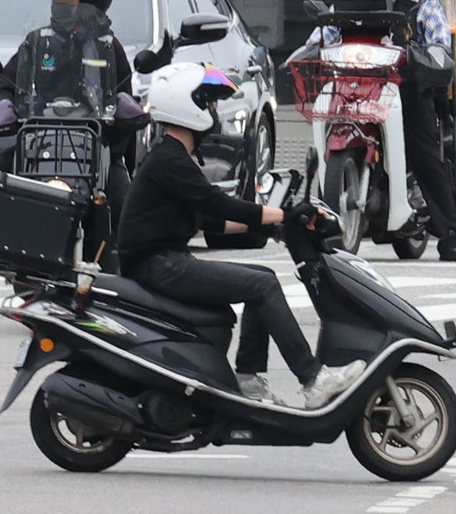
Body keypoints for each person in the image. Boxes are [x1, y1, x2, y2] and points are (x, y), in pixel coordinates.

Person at [117, 62, 366, 409]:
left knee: (262, 278)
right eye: (208, 102)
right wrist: (284, 213)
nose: (214, 111)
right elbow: (218, 205)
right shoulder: (169, 161)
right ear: (187, 106)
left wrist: (278, 227)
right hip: (159, 266)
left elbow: (211, 221)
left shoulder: (171, 159)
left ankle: (248, 378)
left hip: (164, 261)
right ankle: (313, 378)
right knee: (261, 286)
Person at [311, 0, 456, 262]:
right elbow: (319, 36)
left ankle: (449, 235)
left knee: (425, 153)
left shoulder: (419, 2)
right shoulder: (344, 1)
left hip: (406, 92)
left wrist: (430, 56)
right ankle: (321, 213)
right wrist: (309, 50)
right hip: (354, 89)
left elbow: (440, 41)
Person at [0, 0, 135, 219]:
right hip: (39, 142)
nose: (57, 5)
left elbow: (123, 95)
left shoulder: (109, 47)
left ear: (90, 5)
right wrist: (4, 103)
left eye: (65, 0)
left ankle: (118, 254)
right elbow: (7, 80)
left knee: (125, 202)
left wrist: (121, 116)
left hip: (94, 146)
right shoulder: (39, 42)